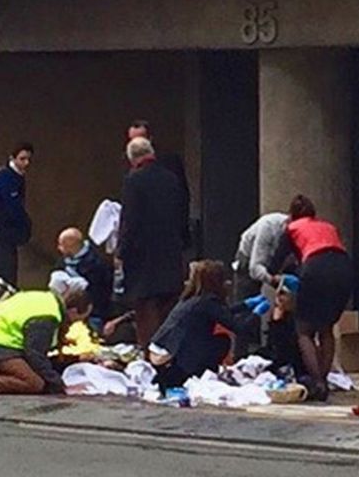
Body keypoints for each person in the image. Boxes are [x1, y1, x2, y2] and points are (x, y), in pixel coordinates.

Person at [272, 195, 353, 402]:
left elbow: (277, 260)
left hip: (315, 268)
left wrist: (275, 277)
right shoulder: (328, 226)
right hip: (343, 267)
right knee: (326, 327)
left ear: (292, 215)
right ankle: (324, 379)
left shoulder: (292, 229)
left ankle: (317, 382)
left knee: (304, 329)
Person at [0, 289, 92, 396]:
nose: (79, 322)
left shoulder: (46, 298)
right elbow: (35, 355)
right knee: (34, 384)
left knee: (36, 375)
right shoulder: (48, 317)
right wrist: (60, 386)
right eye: (81, 318)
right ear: (72, 311)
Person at [149, 260, 269, 390]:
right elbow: (239, 328)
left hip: (161, 349)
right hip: (174, 356)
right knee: (221, 341)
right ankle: (195, 374)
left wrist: (246, 305)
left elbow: (222, 313)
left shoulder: (191, 299)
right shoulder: (207, 302)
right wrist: (257, 314)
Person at [117, 137, 188, 348]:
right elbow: (182, 213)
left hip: (143, 257)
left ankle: (149, 356)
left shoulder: (134, 181)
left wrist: (121, 252)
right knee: (169, 308)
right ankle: (169, 352)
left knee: (146, 310)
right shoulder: (171, 179)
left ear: (132, 159)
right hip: (170, 253)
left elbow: (130, 220)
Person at [231, 212, 289, 359]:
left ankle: (282, 351)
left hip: (276, 261)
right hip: (249, 260)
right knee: (244, 309)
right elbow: (254, 268)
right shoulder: (269, 227)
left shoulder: (296, 233)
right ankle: (239, 354)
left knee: (285, 305)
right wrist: (274, 281)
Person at [126, 119, 191, 250]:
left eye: (141, 139)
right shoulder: (128, 166)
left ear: (150, 139)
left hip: (167, 233)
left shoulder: (169, 163)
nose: (137, 144)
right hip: (141, 239)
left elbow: (182, 197)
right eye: (132, 140)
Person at [0, 143, 34, 287]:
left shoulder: (14, 177)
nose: (26, 163)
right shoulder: (5, 178)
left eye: (28, 159)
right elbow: (13, 207)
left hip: (3, 233)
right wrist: (25, 225)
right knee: (6, 276)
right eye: (22, 159)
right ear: (13, 158)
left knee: (9, 273)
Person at [56, 228, 113, 334]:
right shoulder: (64, 259)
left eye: (62, 245)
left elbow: (100, 292)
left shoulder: (95, 264)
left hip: (92, 312)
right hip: (68, 310)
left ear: (71, 246)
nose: (59, 248)